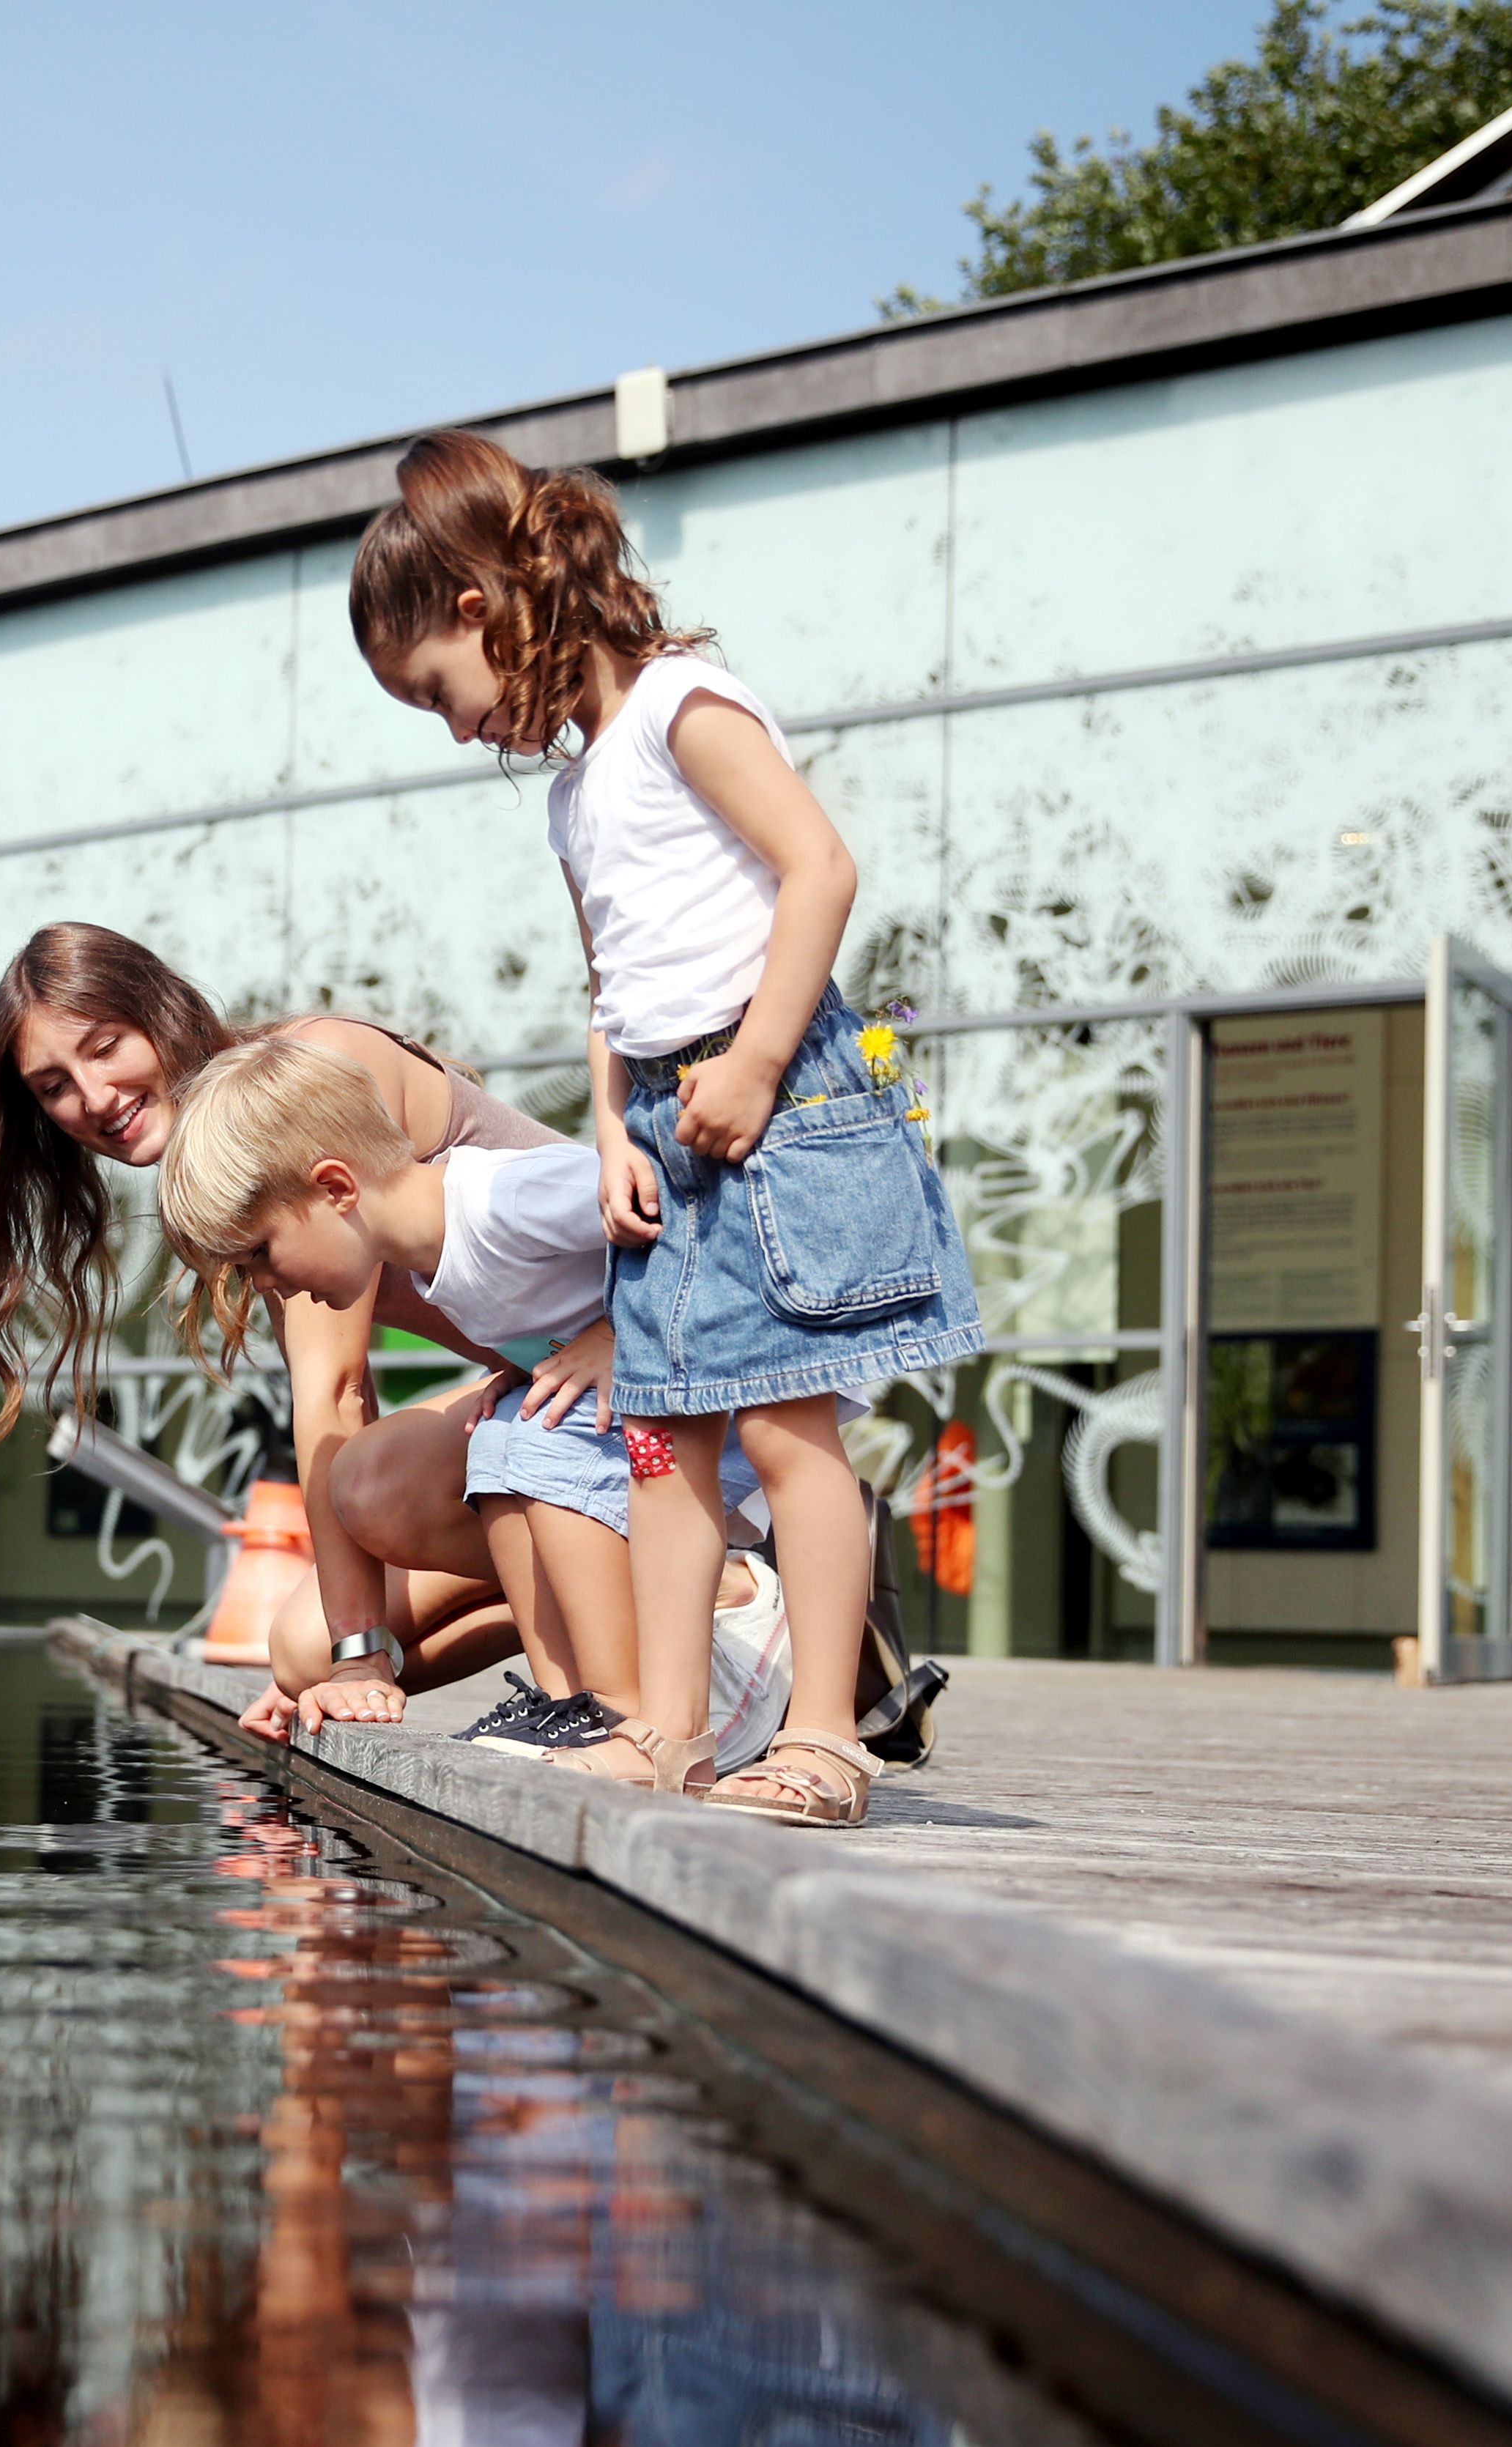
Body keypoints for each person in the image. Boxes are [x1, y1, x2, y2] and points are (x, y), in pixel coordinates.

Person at [351, 432, 984, 1825]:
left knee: (788, 1426)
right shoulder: (576, 794)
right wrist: (610, 1127)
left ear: (484, 609)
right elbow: (610, 987)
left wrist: (753, 1064)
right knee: (659, 1436)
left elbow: (821, 867)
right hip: (666, 1119)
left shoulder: (682, 707)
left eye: (438, 692)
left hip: (776, 1100)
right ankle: (668, 1726)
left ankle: (825, 1736)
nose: (454, 731)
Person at [155, 1034, 788, 1783]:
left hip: (715, 1403)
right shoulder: (436, 1262)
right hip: (634, 1416)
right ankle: (571, 1703)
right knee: (497, 1442)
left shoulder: (502, 1201)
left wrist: (615, 1334)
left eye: (260, 1253)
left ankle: (634, 1711)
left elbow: (693, 1212)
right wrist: (523, 1368)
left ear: (334, 1188)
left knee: (535, 1447)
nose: (265, 1285)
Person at [0, 923, 544, 1714]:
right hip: (555, 1392)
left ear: (159, 1010)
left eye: (105, 1047)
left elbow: (334, 1391)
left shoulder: (298, 1083)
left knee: (372, 1499)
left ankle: (668, 1599)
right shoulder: (229, 1142)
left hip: (646, 1375)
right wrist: (343, 1660)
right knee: (302, 1652)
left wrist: (360, 1662)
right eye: (54, 1085)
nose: (93, 1098)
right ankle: (640, 1611)